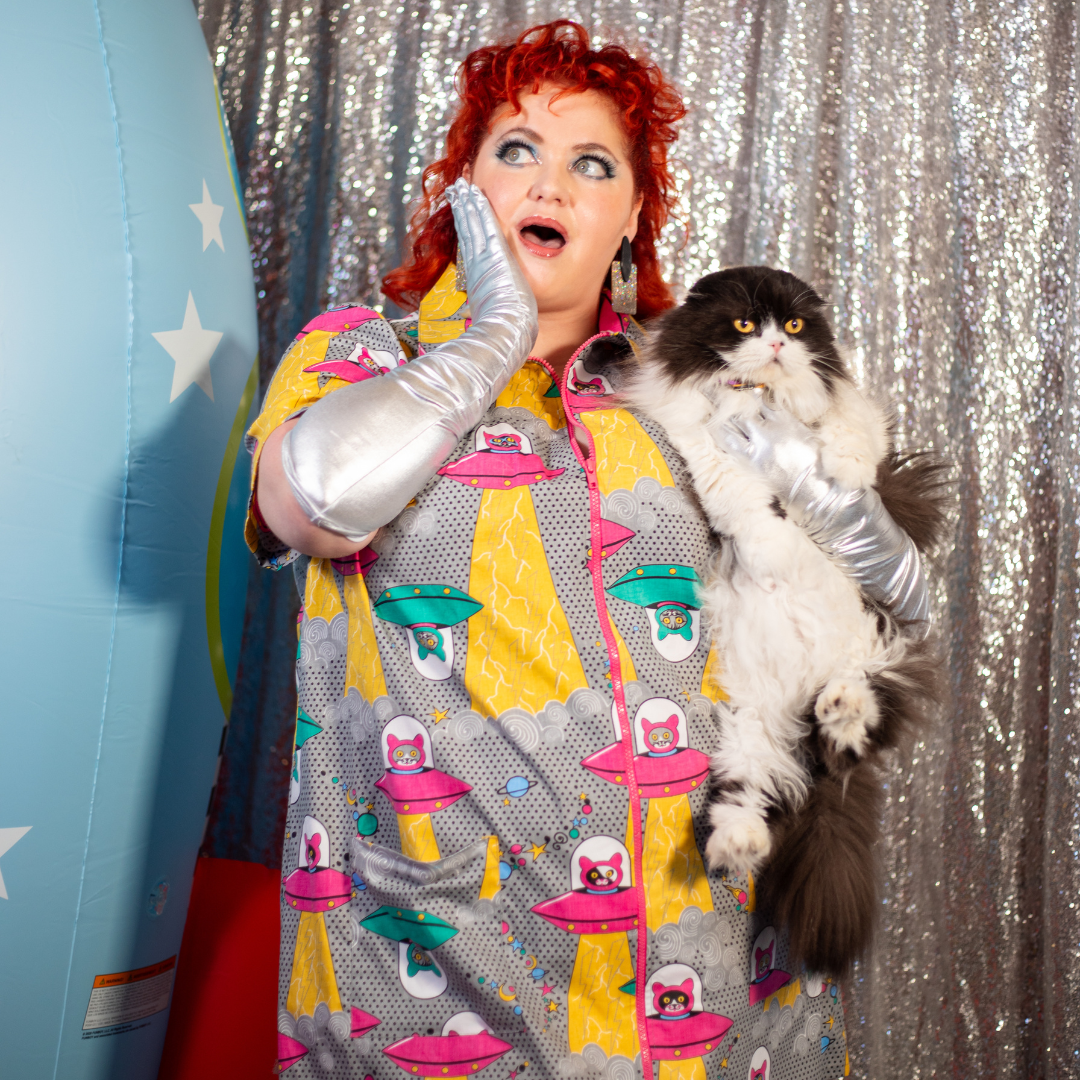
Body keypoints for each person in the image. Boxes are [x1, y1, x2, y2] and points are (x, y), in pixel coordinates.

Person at [247, 20, 924, 1079]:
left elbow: (889, 601)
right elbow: (316, 507)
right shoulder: (357, 354)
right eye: (515, 150)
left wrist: (822, 494)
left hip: (707, 982)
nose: (549, 182)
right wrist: (484, 342)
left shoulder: (684, 388)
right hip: (442, 991)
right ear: (463, 187)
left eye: (591, 163)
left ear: (632, 216)